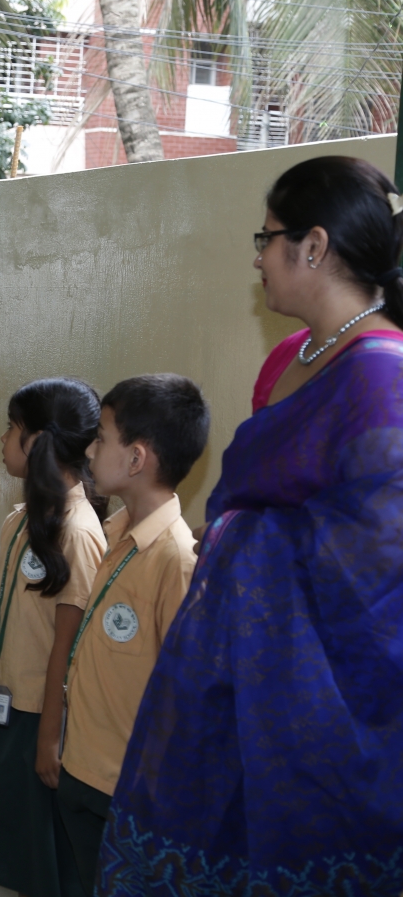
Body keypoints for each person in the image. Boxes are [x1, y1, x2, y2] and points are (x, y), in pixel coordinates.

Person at [97, 157, 403, 894]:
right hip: (235, 664)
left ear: (315, 246)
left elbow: (381, 559)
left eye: (266, 238)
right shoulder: (286, 362)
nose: (259, 257)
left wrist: (250, 550)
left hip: (327, 686)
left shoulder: (383, 375)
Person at [56, 375, 208, 892]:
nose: (90, 449)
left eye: (101, 437)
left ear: (137, 459)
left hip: (128, 787)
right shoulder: (116, 535)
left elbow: (183, 698)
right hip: (79, 765)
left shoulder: (177, 561)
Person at [0, 378, 106, 897]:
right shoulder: (21, 521)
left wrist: (50, 736)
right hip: (0, 711)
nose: (1, 440)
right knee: (0, 862)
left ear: (38, 440)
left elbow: (68, 649)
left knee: (41, 867)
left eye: (12, 429)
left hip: (39, 722)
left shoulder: (78, 532)